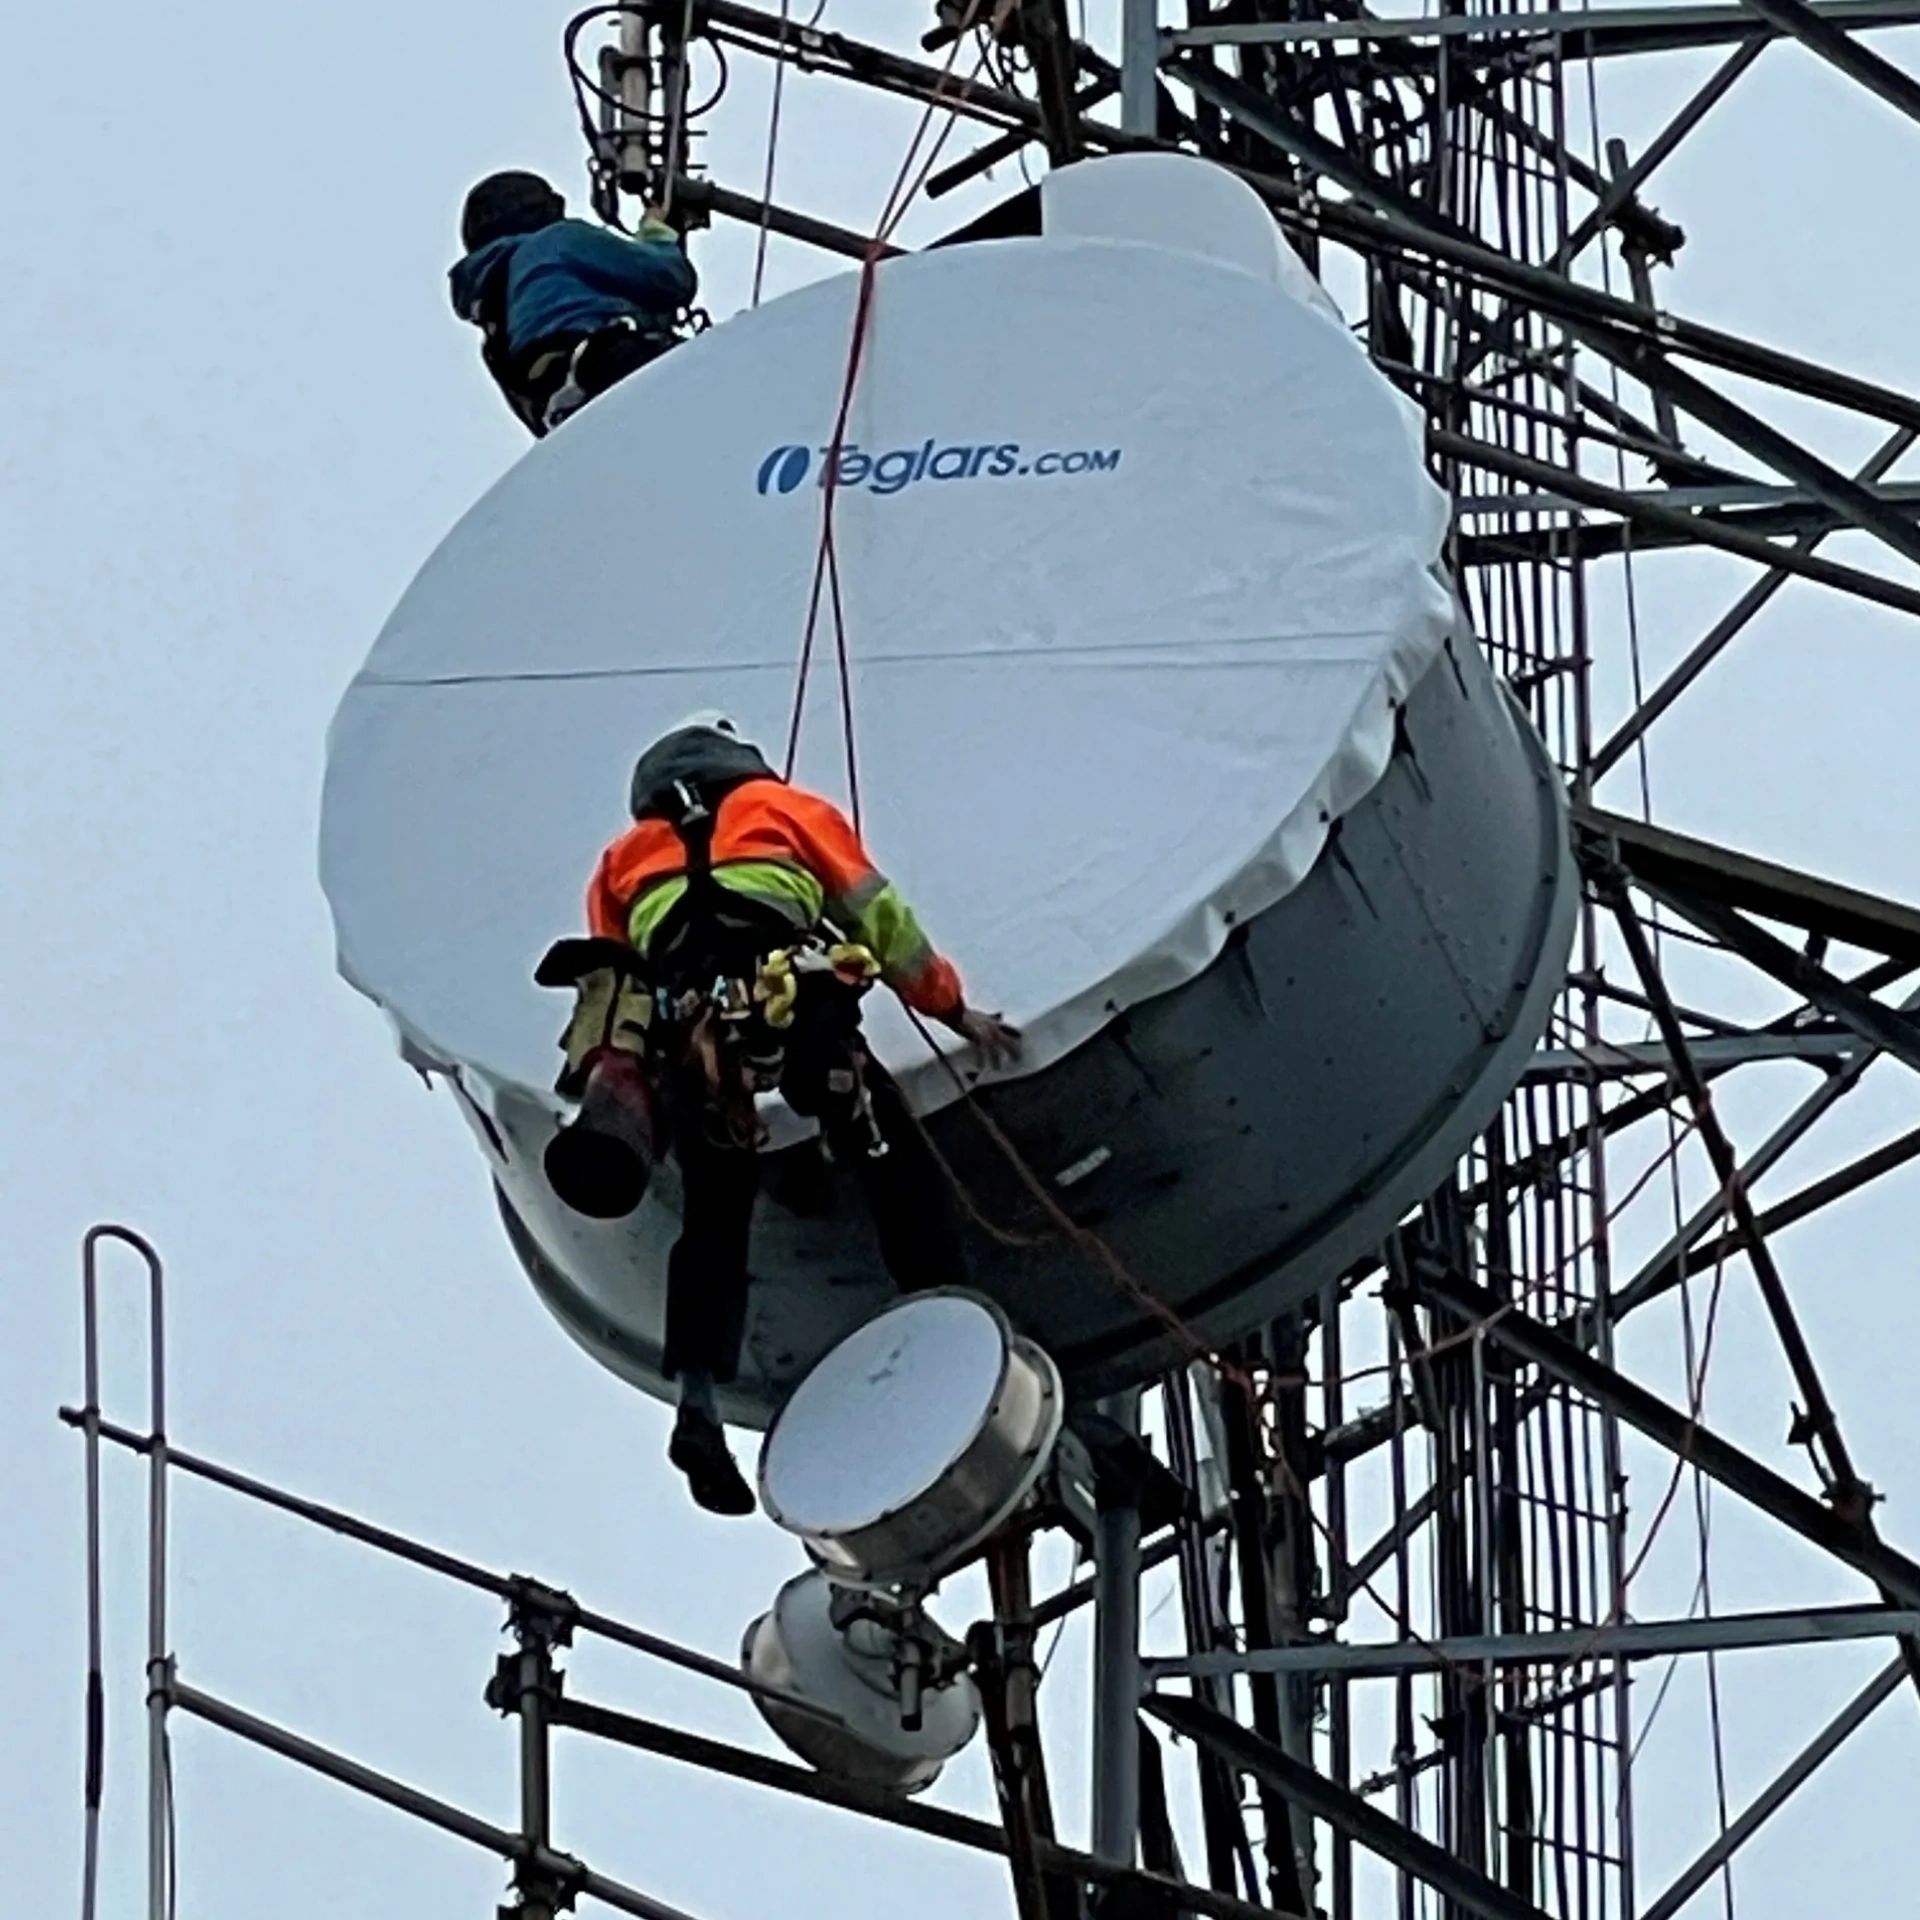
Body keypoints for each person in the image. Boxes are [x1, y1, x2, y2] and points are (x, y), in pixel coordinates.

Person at [562, 712, 1020, 1516]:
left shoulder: (620, 859)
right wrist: (952, 1010)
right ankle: (944, 1308)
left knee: (715, 1208)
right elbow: (877, 915)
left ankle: (697, 1401)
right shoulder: (785, 811)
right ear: (742, 764)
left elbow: (612, 973)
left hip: (686, 1018)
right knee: (877, 1134)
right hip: (792, 988)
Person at [449, 169, 698, 437]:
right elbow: (670, 279)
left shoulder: (493, 305)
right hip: (607, 361)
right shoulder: (557, 241)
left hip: (558, 399)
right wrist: (656, 234)